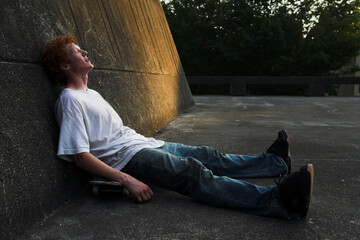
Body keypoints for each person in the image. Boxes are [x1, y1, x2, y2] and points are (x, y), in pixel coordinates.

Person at [42, 35, 314, 220]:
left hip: (144, 144)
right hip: (129, 158)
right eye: (77, 52)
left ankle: (274, 163)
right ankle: (277, 200)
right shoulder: (69, 100)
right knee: (194, 174)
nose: (85, 52)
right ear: (65, 65)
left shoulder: (92, 93)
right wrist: (126, 179)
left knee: (207, 156)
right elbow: (79, 155)